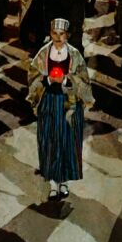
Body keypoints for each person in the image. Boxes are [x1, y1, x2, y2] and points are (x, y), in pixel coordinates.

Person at [26, 18, 90, 201]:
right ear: (50, 34)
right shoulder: (43, 54)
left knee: (67, 142)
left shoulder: (75, 55)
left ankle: (64, 182)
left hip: (68, 104)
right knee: (49, 141)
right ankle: (53, 184)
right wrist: (47, 80)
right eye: (55, 33)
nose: (58, 37)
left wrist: (66, 80)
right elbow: (32, 76)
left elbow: (84, 79)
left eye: (62, 34)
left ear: (67, 35)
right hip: (49, 102)